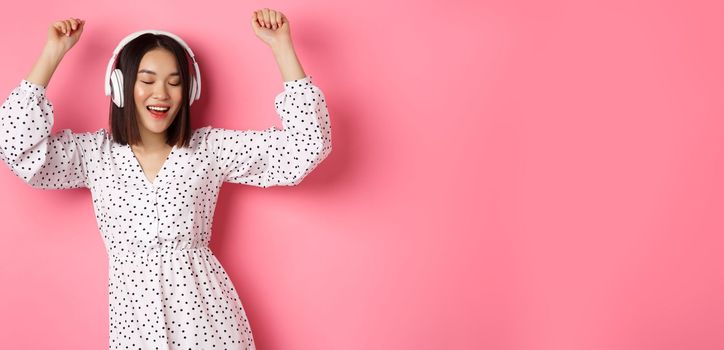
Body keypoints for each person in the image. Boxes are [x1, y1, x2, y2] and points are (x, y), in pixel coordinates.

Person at [0, 8, 332, 350]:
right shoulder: (94, 155)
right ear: (119, 87)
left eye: (175, 83)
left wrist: (282, 48)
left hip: (209, 324)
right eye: (147, 81)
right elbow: (17, 148)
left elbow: (305, 147)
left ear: (188, 93)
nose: (161, 93)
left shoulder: (209, 149)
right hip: (135, 330)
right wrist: (52, 54)